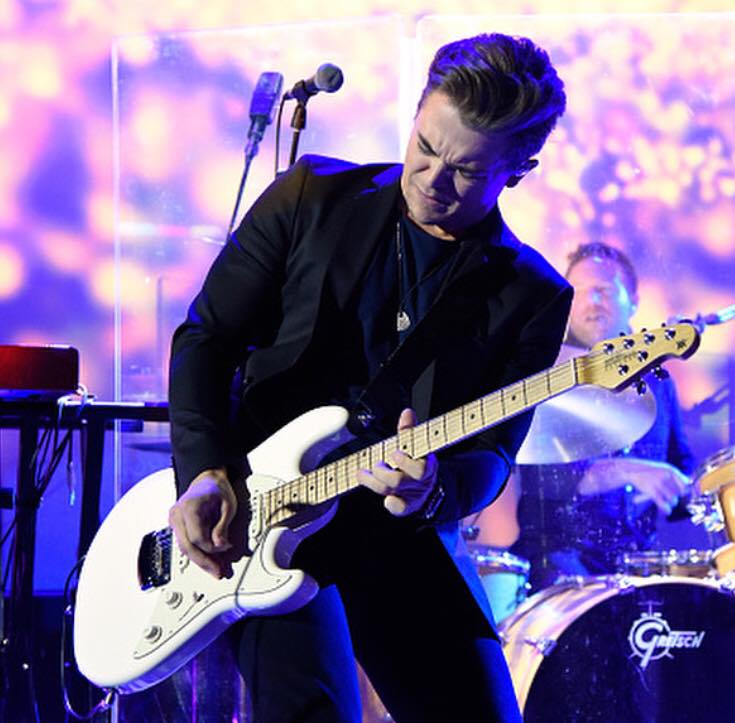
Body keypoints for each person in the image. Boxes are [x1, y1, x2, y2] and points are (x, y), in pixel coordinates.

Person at [167, 33, 571, 722]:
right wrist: (204, 470)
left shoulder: (530, 294)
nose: (431, 179)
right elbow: (207, 338)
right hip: (264, 509)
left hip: (395, 533)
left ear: (519, 170)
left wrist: (433, 489)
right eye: (425, 146)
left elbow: (493, 454)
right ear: (415, 114)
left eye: (466, 171)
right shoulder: (309, 198)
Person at [472, 241, 695, 593]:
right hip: (557, 569)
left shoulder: (659, 383)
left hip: (638, 568)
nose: (592, 302)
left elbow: (681, 471)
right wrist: (626, 471)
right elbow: (545, 484)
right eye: (580, 292)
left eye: (604, 290)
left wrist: (700, 488)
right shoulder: (545, 374)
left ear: (633, 301)